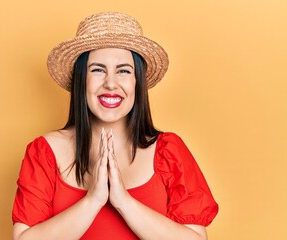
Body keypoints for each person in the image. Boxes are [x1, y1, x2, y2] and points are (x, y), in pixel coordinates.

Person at [12, 12, 218, 240]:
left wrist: (123, 201)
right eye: (98, 70)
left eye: (123, 71)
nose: (111, 83)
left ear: (137, 82)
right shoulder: (44, 151)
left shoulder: (169, 150)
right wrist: (94, 200)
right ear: (82, 80)